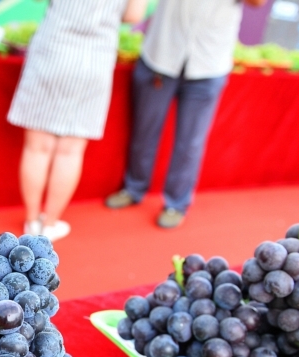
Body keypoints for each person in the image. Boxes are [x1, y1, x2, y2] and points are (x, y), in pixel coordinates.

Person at [105, 0, 267, 229]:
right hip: (161, 54)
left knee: (190, 142)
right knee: (144, 131)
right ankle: (134, 188)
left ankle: (176, 203)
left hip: (209, 63)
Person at [7, 0, 148, 241]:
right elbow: (134, 15)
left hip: (53, 50)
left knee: (37, 147)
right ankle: (49, 224)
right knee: (70, 151)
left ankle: (32, 220)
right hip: (94, 59)